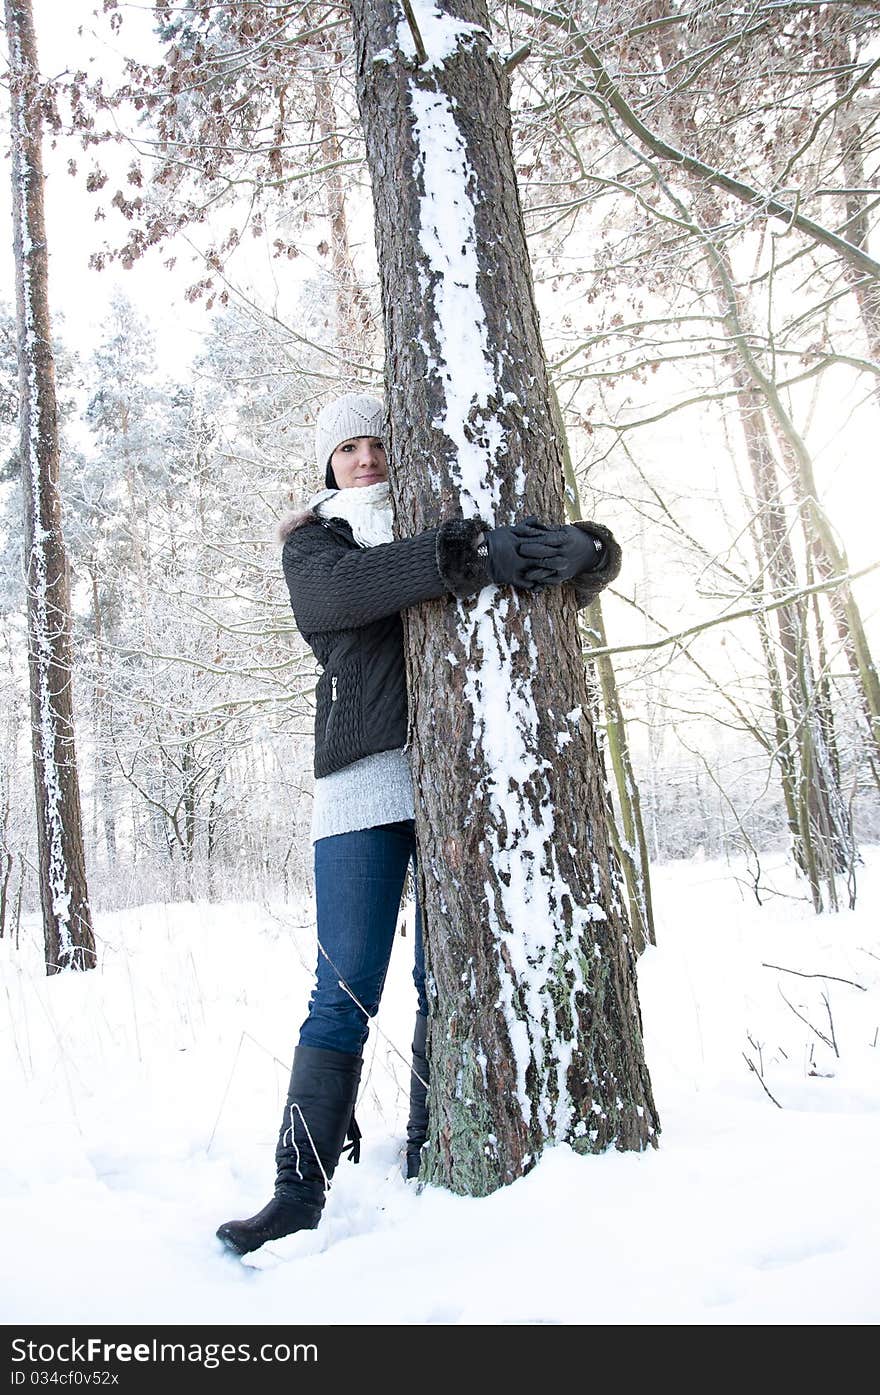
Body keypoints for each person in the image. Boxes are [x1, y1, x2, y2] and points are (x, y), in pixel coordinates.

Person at [216, 392, 622, 1255]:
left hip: (452, 790)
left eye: (377, 444)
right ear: (327, 464)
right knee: (343, 993)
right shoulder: (316, 543)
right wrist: (461, 555)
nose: (365, 459)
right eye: (348, 448)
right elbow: (347, 593)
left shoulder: (446, 513)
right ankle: (296, 1191)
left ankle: (436, 1146)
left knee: (450, 982)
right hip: (361, 794)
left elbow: (520, 578)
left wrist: (590, 554)